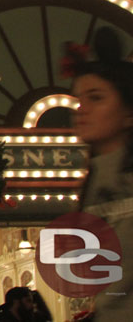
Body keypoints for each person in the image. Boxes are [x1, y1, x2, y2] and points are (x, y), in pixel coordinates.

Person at [68, 28, 133, 322]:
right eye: (79, 99)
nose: (82, 109)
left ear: (128, 112)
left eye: (96, 98)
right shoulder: (94, 183)